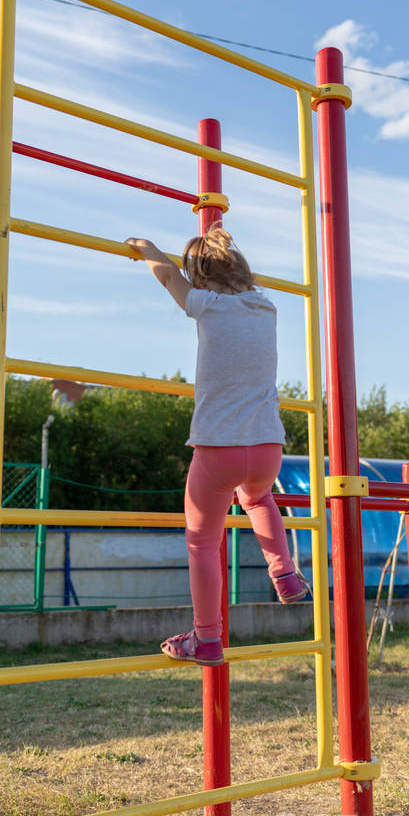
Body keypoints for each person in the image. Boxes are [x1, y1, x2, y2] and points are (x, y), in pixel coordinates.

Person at [125, 226, 307, 667]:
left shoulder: (205, 304)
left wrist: (147, 249)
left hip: (218, 448)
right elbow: (231, 281)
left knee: (202, 544)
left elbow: (170, 278)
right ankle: (283, 572)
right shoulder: (267, 308)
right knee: (259, 498)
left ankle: (206, 639)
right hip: (267, 445)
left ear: (203, 279)